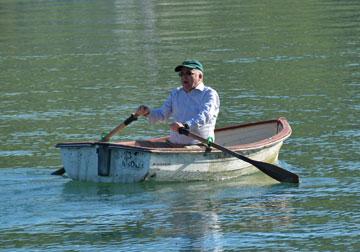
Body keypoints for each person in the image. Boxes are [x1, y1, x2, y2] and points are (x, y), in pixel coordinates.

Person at [135, 60, 220, 145]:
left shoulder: (209, 94)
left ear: (200, 76)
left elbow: (205, 116)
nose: (184, 77)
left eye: (189, 73)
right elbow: (162, 114)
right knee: (139, 144)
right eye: (181, 74)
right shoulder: (176, 93)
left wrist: (186, 126)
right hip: (174, 144)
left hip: (199, 145)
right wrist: (148, 113)